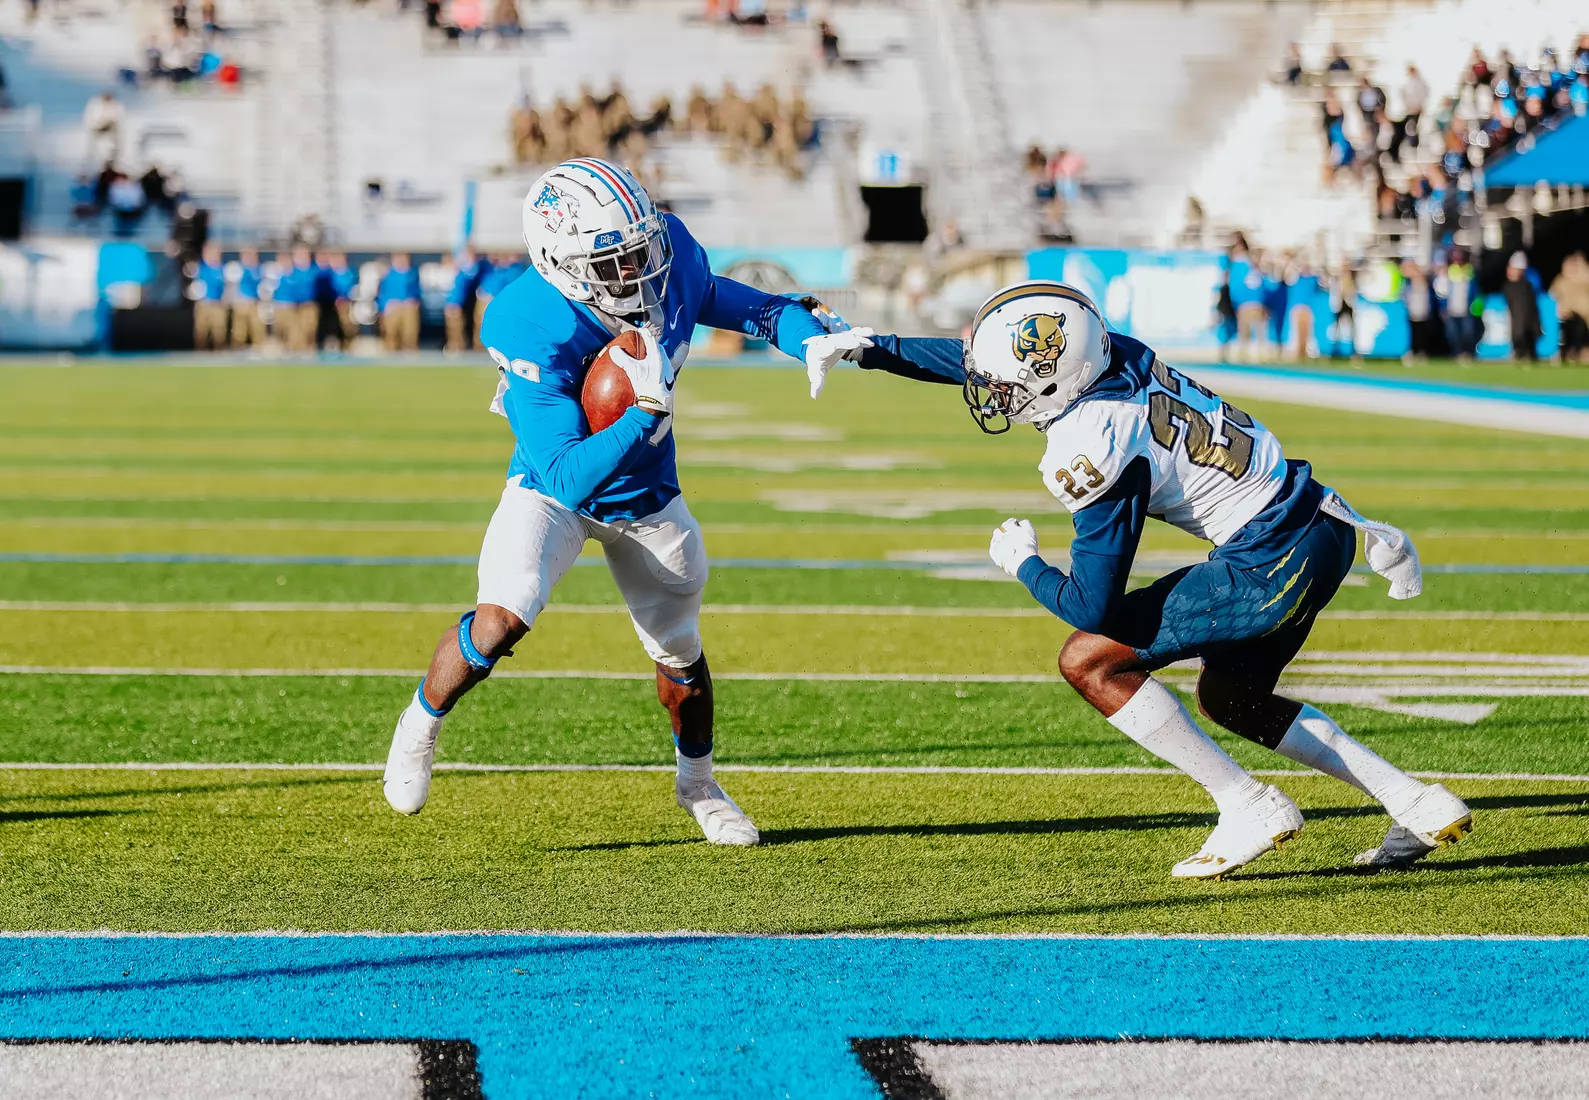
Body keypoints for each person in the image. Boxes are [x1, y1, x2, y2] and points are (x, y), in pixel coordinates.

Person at [805, 282, 1473, 878]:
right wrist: (869, 346)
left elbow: (1093, 604)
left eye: (1006, 388)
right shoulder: (1109, 353)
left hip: (1268, 555)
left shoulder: (1093, 440)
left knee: (1091, 660)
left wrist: (1025, 566)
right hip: (1318, 525)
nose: (991, 395)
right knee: (1230, 695)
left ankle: (1246, 804)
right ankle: (1415, 801)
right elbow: (986, 362)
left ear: (1051, 384)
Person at [380, 158, 865, 846]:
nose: (640, 269)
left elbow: (742, 304)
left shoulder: (666, 251)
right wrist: (642, 412)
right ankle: (419, 726)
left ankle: (698, 785)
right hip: (553, 490)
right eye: (616, 259)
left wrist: (803, 336)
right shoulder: (527, 319)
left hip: (647, 494)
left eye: (642, 247)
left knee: (680, 654)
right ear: (560, 262)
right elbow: (564, 475)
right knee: (502, 617)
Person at [272, 247, 320, 353]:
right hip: (293, 305)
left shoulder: (313, 271)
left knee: (309, 328)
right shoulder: (291, 271)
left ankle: (307, 348)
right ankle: (294, 349)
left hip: (308, 304)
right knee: (294, 330)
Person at [377, 252, 422, 351]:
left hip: (408, 306)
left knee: (409, 333)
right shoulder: (388, 274)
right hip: (391, 307)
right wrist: (384, 306)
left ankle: (409, 354)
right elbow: (382, 293)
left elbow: (417, 291)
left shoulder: (412, 274)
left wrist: (414, 301)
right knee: (391, 334)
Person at [1549, 252, 1589, 363]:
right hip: (1568, 314)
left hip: (1584, 313)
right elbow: (1552, 293)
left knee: (1581, 337)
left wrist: (1582, 265)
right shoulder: (1561, 280)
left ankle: (1579, 354)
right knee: (1568, 336)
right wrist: (1559, 308)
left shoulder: (1583, 277)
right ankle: (1567, 354)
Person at [1503, 251, 1541, 362]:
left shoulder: (1525, 287)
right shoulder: (1509, 287)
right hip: (1518, 326)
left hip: (1525, 328)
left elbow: (1526, 313)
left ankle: (1525, 354)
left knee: (1525, 343)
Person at [190, 242, 229, 350]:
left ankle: (219, 351)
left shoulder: (222, 269)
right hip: (203, 303)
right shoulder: (200, 268)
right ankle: (200, 351)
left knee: (219, 330)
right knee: (201, 330)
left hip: (218, 303)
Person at [231, 248, 267, 349]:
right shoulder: (237, 268)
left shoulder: (259, 269)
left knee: (257, 327)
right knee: (239, 330)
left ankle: (258, 347)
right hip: (241, 302)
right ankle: (237, 347)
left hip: (254, 302)